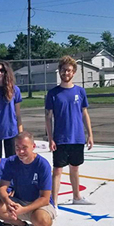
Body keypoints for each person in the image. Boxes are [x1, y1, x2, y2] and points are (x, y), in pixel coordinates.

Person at [45, 56, 95, 206]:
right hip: (60, 138)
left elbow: (84, 113)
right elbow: (48, 117)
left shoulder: (80, 91)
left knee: (75, 168)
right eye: (63, 70)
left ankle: (77, 197)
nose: (66, 73)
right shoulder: (53, 93)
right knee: (58, 171)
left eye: (69, 70)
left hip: (77, 137)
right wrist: (50, 138)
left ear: (73, 73)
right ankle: (53, 202)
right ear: (59, 71)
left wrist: (90, 135)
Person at [0, 131, 57, 226]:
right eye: (17, 147)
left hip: (40, 204)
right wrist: (8, 202)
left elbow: (45, 198)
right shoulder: (11, 162)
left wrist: (23, 210)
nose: (20, 151)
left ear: (33, 146)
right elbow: (1, 188)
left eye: (24, 147)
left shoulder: (42, 165)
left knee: (42, 220)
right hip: (20, 201)